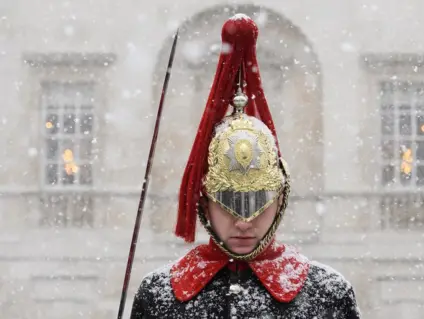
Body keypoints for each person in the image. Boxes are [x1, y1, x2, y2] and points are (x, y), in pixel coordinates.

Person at [130, 13, 361, 319]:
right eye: (228, 202)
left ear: (279, 200)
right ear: (205, 204)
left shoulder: (328, 294)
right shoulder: (159, 294)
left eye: (257, 201)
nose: (243, 221)